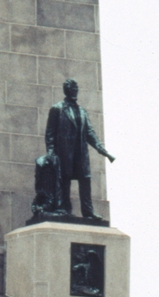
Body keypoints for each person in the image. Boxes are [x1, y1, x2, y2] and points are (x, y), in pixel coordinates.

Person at [45, 79, 116, 220]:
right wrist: (51, 152)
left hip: (80, 152)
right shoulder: (57, 109)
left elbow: (90, 132)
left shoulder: (82, 111)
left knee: (85, 179)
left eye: (77, 88)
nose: (75, 90)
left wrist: (101, 149)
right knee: (65, 179)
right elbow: (50, 133)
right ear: (67, 90)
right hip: (64, 151)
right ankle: (65, 208)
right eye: (73, 88)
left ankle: (88, 211)